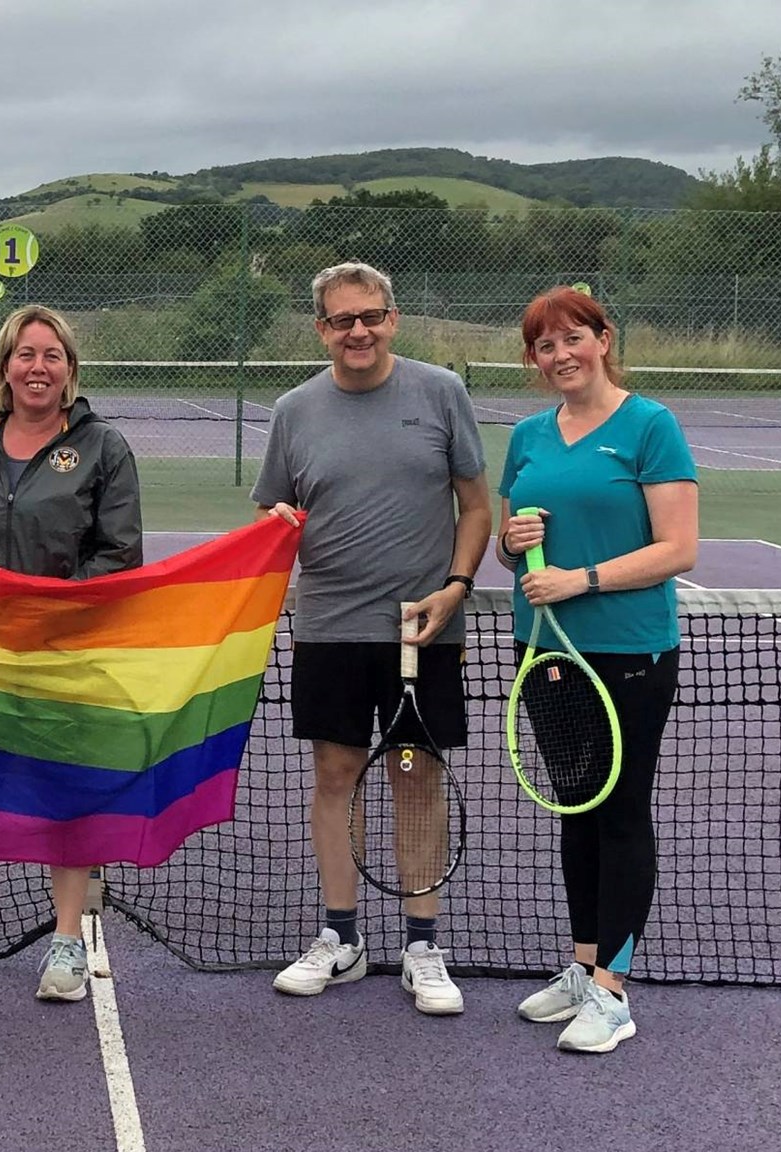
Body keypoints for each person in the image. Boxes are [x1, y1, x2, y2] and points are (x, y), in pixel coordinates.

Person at [253, 261, 490, 1016]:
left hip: (422, 633)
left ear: (393, 318)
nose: (358, 331)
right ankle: (341, 937)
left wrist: (455, 587)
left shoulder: (440, 394)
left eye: (371, 316)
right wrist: (275, 529)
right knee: (335, 776)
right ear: (321, 329)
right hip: (329, 628)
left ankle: (423, 944)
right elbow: (274, 516)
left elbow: (477, 508)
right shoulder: (294, 410)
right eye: (341, 320)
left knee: (416, 776)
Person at [0, 304, 142, 1003]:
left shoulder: (105, 447)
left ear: (71, 370)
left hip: (69, 651)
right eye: (25, 354)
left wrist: (50, 601)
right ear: (5, 365)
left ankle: (67, 944)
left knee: (65, 794)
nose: (38, 368)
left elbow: (119, 554)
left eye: (53, 356)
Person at [496, 285, 697, 1054]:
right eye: (545, 347)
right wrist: (514, 543)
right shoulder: (527, 436)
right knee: (576, 806)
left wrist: (581, 580)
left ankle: (614, 988)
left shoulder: (651, 426)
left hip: (629, 651)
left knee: (619, 810)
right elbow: (507, 544)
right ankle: (582, 966)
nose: (561, 356)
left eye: (573, 338)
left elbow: (677, 549)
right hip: (545, 652)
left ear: (604, 339)